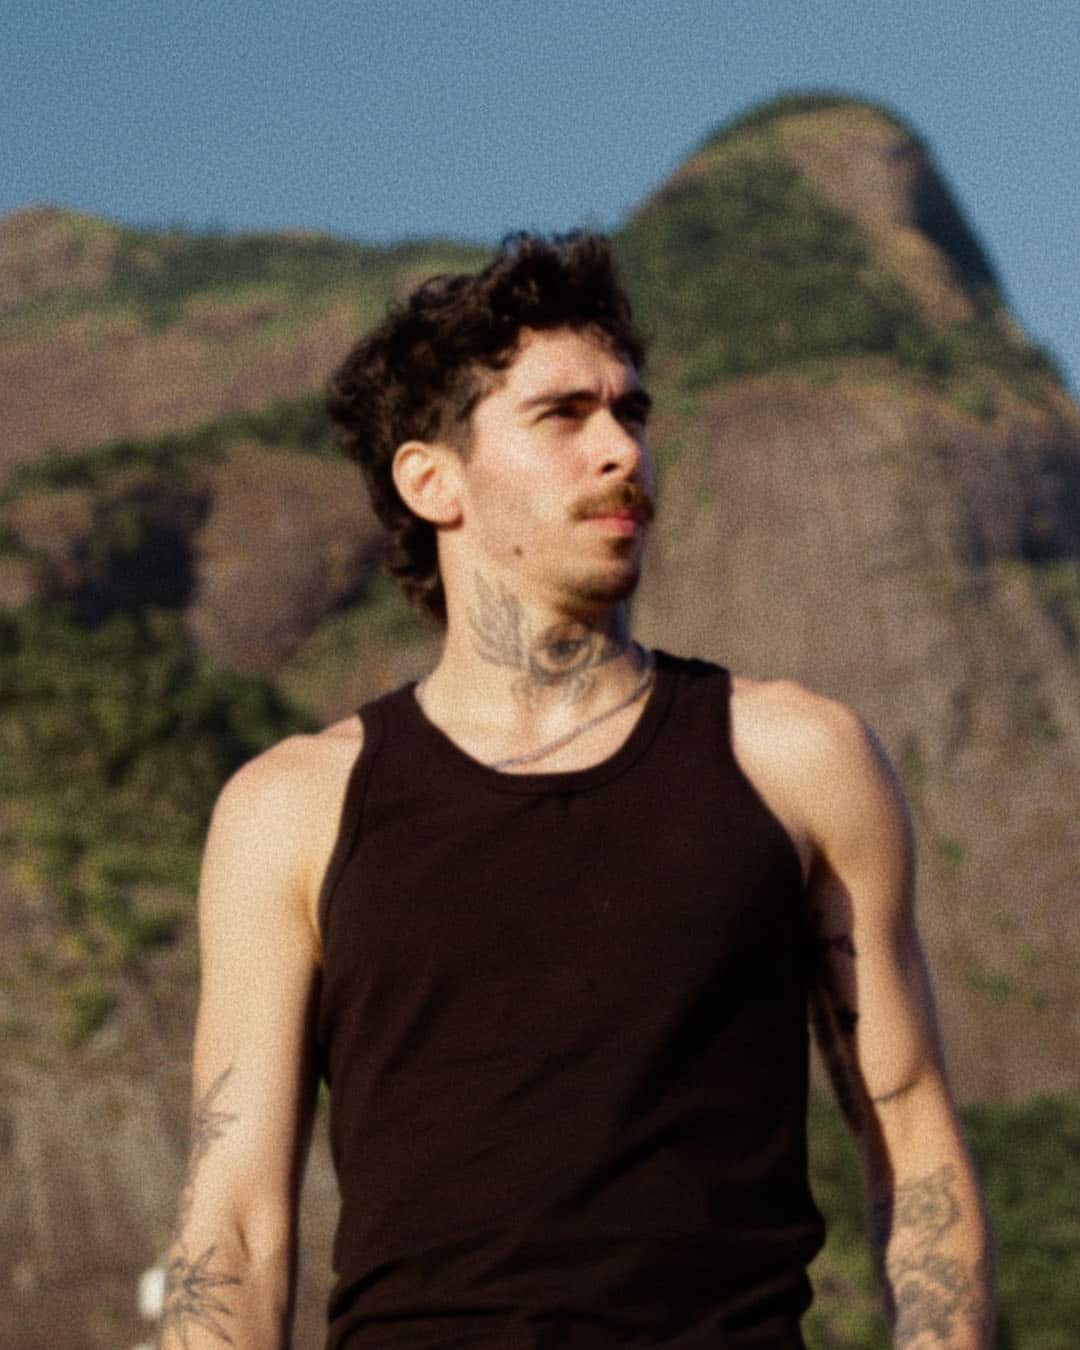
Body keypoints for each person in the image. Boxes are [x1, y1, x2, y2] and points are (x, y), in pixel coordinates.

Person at [159, 232, 994, 1348]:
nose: (621, 450)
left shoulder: (795, 758)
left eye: (632, 414)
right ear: (431, 480)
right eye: (563, 415)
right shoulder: (292, 811)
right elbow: (237, 1228)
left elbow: (914, 1144)